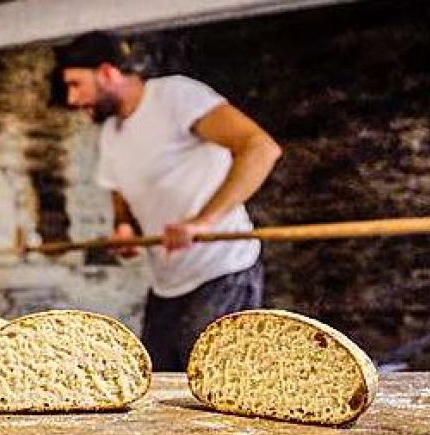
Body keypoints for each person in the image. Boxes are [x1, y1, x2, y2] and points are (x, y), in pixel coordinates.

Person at [54, 31, 282, 371]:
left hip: (221, 270)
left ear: (107, 73)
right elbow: (118, 187)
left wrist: (202, 222)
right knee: (158, 382)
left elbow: (260, 147)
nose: (72, 98)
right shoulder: (111, 132)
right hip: (166, 282)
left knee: (213, 386)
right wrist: (124, 226)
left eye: (76, 84)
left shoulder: (175, 96)